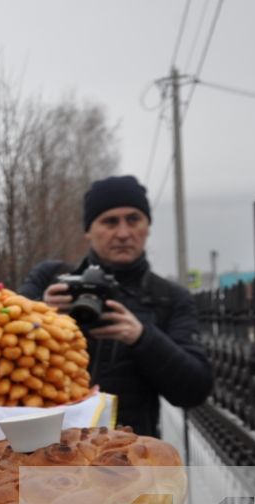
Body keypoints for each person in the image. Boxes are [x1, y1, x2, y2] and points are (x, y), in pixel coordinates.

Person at [17, 175, 214, 437]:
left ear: (147, 226)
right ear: (88, 230)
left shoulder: (169, 298)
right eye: (110, 221)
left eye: (133, 219)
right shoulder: (49, 278)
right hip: (46, 449)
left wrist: (143, 338)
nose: (123, 233)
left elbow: (195, 390)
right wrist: (40, 313)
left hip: (127, 456)